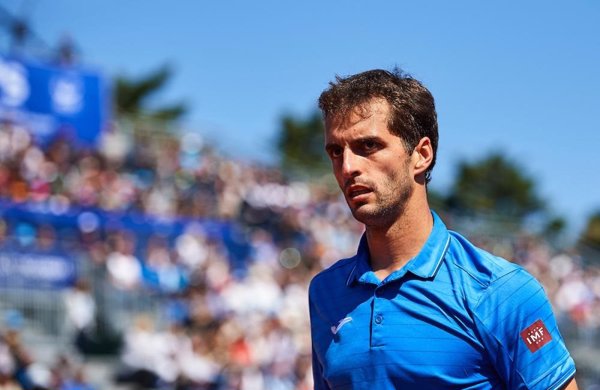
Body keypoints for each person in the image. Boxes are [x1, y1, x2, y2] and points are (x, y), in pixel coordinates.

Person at [308, 69, 577, 389]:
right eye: (336, 151)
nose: (348, 166)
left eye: (368, 145)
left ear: (421, 155)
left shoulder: (501, 292)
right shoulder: (325, 293)